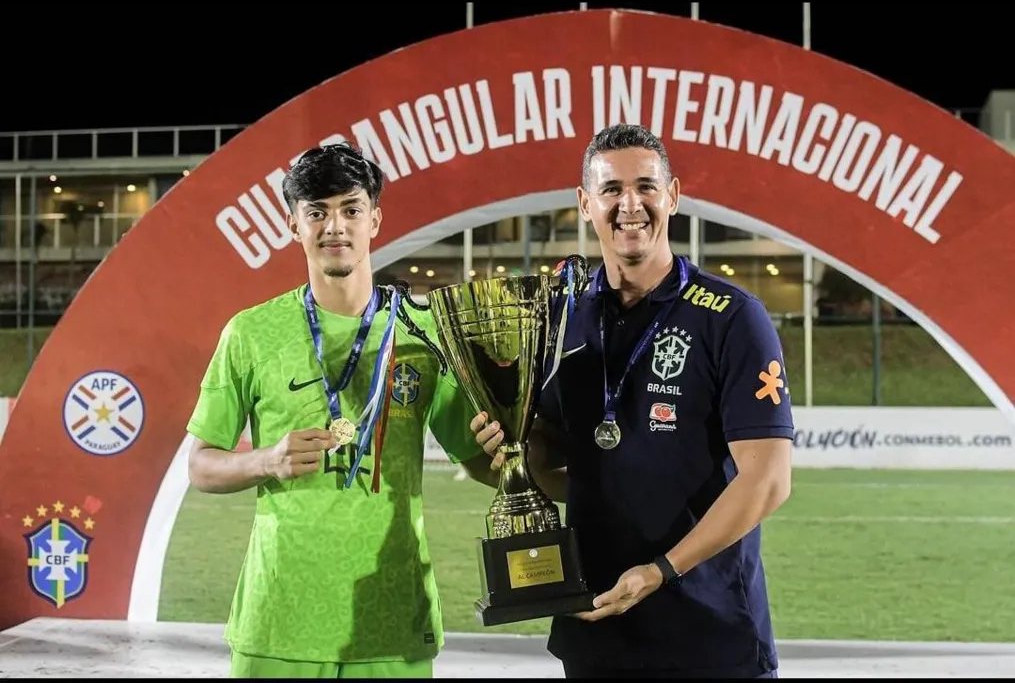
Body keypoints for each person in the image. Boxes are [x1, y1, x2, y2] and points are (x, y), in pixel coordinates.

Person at [471, 123, 794, 679]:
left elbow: (767, 481)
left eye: (646, 187)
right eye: (611, 189)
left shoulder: (733, 318)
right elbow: (559, 470)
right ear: (585, 204)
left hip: (709, 636)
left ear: (672, 195)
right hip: (595, 629)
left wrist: (660, 570)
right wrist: (502, 450)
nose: (630, 205)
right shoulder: (555, 317)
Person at [185, 142, 495, 679]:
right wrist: (267, 461)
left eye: (351, 209)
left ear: (375, 218)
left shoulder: (423, 331)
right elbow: (201, 466)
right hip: (278, 621)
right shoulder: (251, 333)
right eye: (317, 212)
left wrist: (530, 464)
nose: (336, 226)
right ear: (293, 224)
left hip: (390, 622)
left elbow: (478, 459)